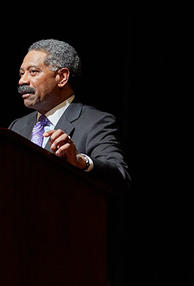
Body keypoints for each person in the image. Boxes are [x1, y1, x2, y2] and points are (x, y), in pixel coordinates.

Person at [9, 39, 130, 191]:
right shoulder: (17, 126)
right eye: (21, 73)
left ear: (62, 77)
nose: (22, 81)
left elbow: (119, 174)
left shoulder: (95, 122)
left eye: (33, 72)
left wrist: (80, 161)